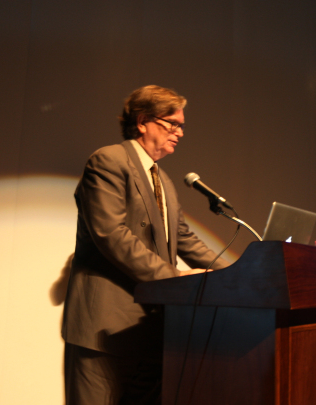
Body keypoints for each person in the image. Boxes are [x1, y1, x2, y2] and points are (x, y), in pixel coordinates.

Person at [61, 85, 229, 405]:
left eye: (181, 125)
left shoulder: (163, 179)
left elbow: (183, 239)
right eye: (172, 123)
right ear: (142, 121)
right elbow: (111, 233)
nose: (179, 132)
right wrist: (173, 277)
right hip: (104, 326)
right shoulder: (109, 160)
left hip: (149, 327)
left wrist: (237, 275)